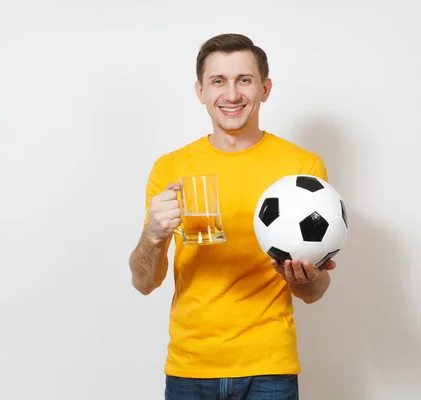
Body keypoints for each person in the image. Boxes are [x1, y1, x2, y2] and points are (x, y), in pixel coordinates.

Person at [128, 33, 337, 400]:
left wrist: (304, 277)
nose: (232, 94)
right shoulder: (170, 168)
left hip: (269, 366)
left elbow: (315, 292)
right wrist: (153, 235)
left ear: (265, 88)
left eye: (244, 79)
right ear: (201, 91)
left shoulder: (302, 168)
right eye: (218, 81)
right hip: (190, 367)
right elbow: (144, 282)